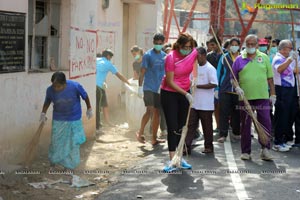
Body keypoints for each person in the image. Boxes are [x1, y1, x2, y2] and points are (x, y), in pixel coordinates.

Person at [232, 34, 275, 161]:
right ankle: (246, 151)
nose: (250, 46)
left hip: (262, 96)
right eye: (248, 44)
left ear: (257, 45)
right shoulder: (239, 59)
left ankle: (265, 149)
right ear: (245, 44)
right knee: (245, 124)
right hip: (245, 97)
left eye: (253, 44)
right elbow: (233, 78)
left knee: (265, 123)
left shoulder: (264, 58)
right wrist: (237, 87)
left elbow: (270, 78)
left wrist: (273, 94)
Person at [160, 32, 198, 172]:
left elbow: (194, 66)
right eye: (184, 47)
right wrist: (185, 94)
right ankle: (172, 160)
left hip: (185, 92)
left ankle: (179, 157)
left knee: (182, 127)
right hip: (170, 93)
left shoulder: (193, 53)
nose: (187, 50)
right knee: (173, 127)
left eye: (189, 47)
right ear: (179, 45)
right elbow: (169, 81)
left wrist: (194, 79)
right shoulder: (171, 57)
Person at [40, 72, 93, 170]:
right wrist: (43, 113)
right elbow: (47, 101)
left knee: (72, 143)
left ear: (65, 84)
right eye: (54, 86)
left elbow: (85, 96)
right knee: (56, 142)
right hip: (58, 119)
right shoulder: (50, 90)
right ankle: (54, 161)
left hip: (73, 118)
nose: (56, 88)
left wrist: (89, 108)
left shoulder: (74, 86)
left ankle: (70, 165)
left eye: (59, 86)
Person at [185, 47, 218, 154]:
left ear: (203, 55)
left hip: (206, 104)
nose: (195, 59)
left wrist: (198, 86)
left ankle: (208, 146)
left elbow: (213, 84)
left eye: (197, 56)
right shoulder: (194, 68)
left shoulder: (210, 68)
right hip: (194, 103)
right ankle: (186, 146)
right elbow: (189, 80)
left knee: (207, 127)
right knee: (190, 126)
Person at [136, 33, 166, 145]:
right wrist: (140, 87)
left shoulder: (164, 55)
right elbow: (142, 72)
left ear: (163, 43)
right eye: (156, 43)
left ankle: (154, 138)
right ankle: (140, 133)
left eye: (160, 43)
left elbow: (166, 72)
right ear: (153, 42)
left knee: (157, 113)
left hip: (159, 89)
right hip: (148, 87)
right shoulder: (148, 55)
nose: (158, 45)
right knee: (150, 111)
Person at [272, 40, 298, 152]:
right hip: (282, 89)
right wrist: (290, 59)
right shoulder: (278, 58)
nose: (291, 50)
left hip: (290, 89)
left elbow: (294, 71)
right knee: (281, 115)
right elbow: (280, 69)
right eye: (289, 48)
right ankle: (278, 142)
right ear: (283, 48)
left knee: (289, 115)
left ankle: (284, 139)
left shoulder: (287, 59)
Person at [96, 49, 130, 130]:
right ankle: (97, 127)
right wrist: (128, 82)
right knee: (97, 108)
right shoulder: (108, 64)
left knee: (99, 106)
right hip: (98, 88)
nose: (110, 59)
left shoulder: (96, 60)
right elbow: (119, 75)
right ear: (108, 56)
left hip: (93, 86)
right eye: (110, 57)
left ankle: (101, 124)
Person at [216, 37, 241, 143]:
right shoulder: (224, 57)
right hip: (225, 89)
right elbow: (219, 72)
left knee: (237, 113)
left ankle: (236, 132)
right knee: (224, 112)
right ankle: (223, 134)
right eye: (232, 44)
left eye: (236, 45)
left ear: (239, 46)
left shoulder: (242, 58)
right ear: (229, 46)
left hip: (238, 89)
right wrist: (217, 88)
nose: (234, 47)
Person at [206, 37, 222, 133]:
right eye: (210, 45)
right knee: (214, 106)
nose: (211, 47)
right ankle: (218, 125)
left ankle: (224, 125)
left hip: (223, 84)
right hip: (211, 85)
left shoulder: (225, 55)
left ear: (218, 44)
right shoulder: (209, 56)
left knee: (222, 106)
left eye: (213, 45)